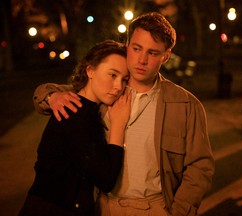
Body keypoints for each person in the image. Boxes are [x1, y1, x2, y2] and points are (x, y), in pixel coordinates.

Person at [33, 12, 214, 216]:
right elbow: (62, 94)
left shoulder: (185, 105)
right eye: (136, 48)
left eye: (153, 53)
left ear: (166, 55)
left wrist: (180, 211)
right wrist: (51, 96)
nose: (142, 60)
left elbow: (200, 166)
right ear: (127, 44)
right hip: (103, 206)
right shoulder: (107, 91)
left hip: (155, 208)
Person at [19, 40, 131, 216]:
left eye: (124, 79)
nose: (118, 87)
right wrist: (118, 126)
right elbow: (106, 179)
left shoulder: (86, 107)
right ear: (90, 70)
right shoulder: (75, 111)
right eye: (112, 75)